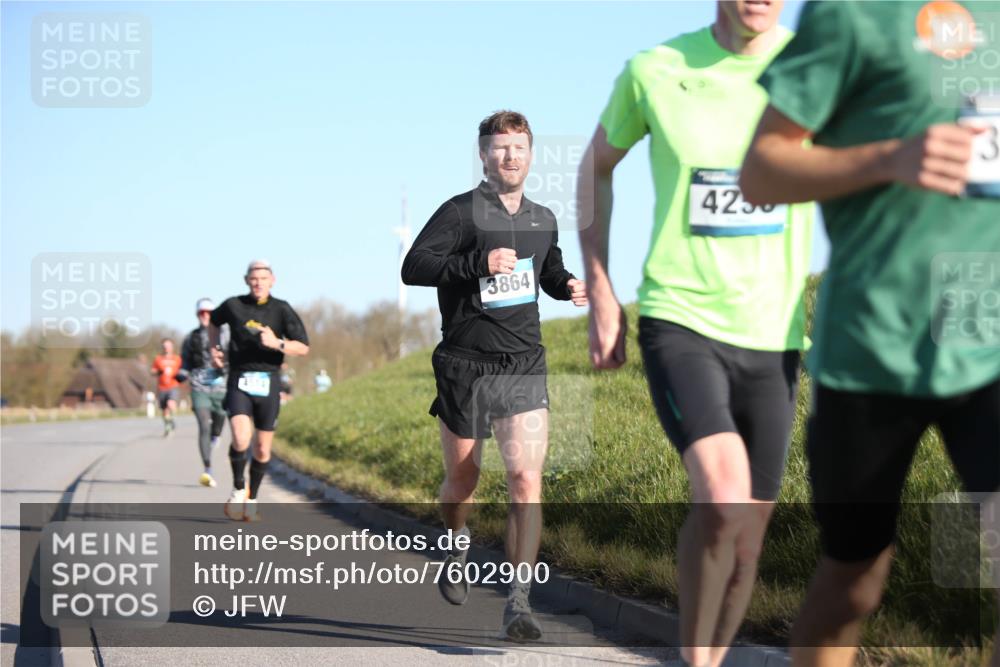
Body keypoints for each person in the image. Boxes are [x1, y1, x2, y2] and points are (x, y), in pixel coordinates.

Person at [740, 2, 1000, 665]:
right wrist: (891, 157)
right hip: (875, 343)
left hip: (988, 331)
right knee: (855, 578)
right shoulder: (849, 13)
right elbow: (762, 169)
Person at [578, 2, 813, 664]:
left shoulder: (813, 67)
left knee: (747, 543)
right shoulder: (655, 70)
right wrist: (601, 288)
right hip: (680, 316)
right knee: (724, 493)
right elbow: (595, 167)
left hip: (774, 331)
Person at [402, 110, 587, 642]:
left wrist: (568, 285)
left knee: (526, 479)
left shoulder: (542, 218)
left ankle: (519, 600)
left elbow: (547, 269)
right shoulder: (459, 213)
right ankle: (456, 540)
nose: (510, 157)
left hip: (523, 361)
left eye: (519, 148)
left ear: (531, 155)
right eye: (500, 148)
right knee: (463, 480)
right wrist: (477, 264)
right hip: (465, 363)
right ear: (483, 155)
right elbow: (413, 267)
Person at [210, 260, 310, 522]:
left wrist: (277, 343)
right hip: (239, 377)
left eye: (263, 278)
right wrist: (214, 348)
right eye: (254, 278)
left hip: (269, 380)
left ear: (272, 281)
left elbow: (303, 347)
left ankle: (252, 498)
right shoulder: (233, 305)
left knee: (263, 449)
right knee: (241, 437)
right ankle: (238, 488)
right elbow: (213, 321)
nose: (258, 283)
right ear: (246, 280)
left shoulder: (282, 309)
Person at [181, 298, 230, 488]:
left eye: (208, 313)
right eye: (201, 313)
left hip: (221, 388)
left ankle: (216, 436)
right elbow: (185, 360)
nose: (205, 316)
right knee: (203, 425)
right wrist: (182, 373)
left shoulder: (226, 334)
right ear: (197, 315)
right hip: (199, 386)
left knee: (219, 421)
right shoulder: (191, 337)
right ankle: (207, 470)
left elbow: (234, 355)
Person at [150, 338, 183, 437]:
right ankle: (169, 425)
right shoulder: (158, 359)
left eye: (168, 346)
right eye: (164, 346)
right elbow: (152, 371)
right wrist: (157, 371)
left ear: (172, 347)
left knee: (170, 404)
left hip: (173, 386)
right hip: (162, 387)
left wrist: (181, 376)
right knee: (165, 411)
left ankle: (171, 420)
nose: (166, 348)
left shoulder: (177, 359)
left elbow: (183, 370)